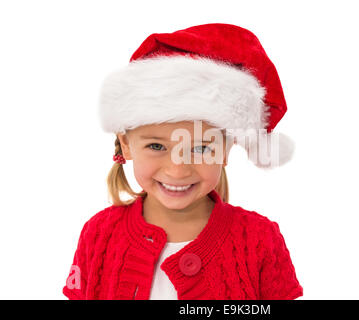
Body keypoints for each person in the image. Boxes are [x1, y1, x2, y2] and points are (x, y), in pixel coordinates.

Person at [62, 23, 303, 300]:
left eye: (200, 148)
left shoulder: (260, 240)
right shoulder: (98, 234)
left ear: (226, 149)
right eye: (156, 146)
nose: (177, 169)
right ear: (126, 144)